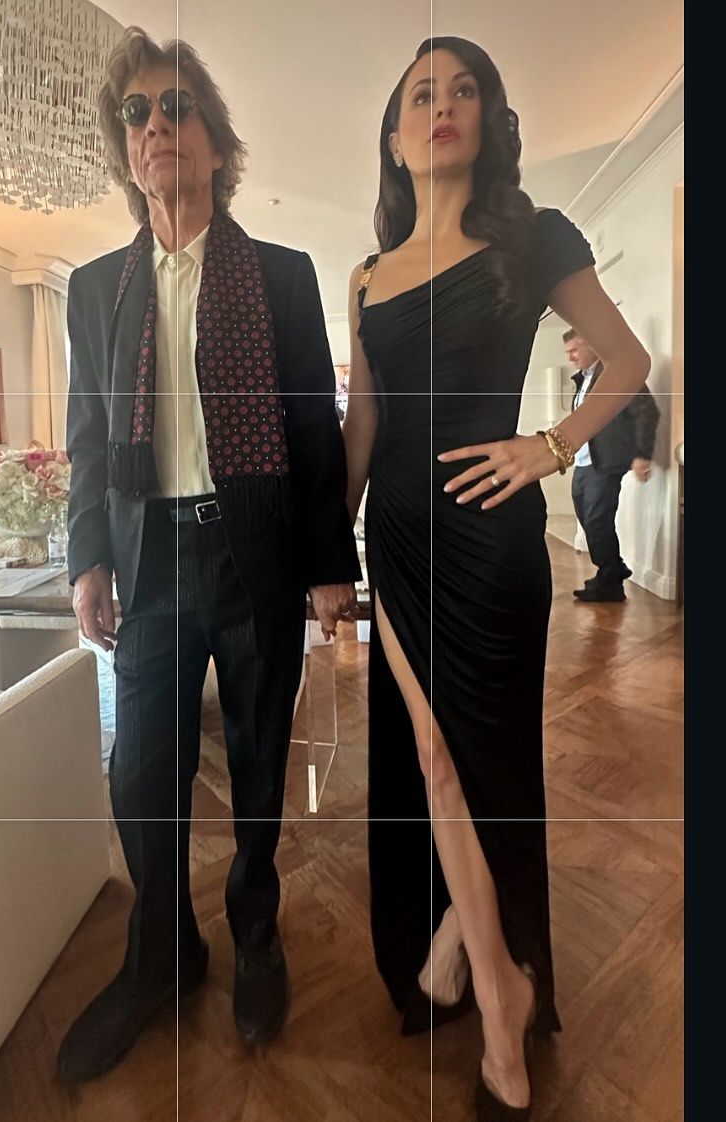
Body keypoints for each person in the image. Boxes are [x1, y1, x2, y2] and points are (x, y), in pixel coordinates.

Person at [342, 37, 650, 1120]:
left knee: (483, 769)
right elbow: (364, 422)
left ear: (486, 119)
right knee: (430, 759)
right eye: (422, 94)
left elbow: (627, 362)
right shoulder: (366, 277)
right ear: (394, 137)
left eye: (463, 90)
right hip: (397, 540)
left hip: (490, 540)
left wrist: (550, 446)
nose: (443, 106)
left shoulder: (532, 235)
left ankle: (490, 977)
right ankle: (487, 979)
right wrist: (330, 549)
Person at [58, 29, 359, 1081]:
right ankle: (162, 956)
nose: (155, 125)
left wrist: (331, 563)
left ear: (217, 143)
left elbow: (312, 428)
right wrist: (86, 559)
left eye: (176, 106)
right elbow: (87, 433)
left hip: (253, 557)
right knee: (143, 772)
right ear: (124, 147)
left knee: (262, 756)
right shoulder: (94, 288)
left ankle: (256, 930)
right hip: (146, 562)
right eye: (136, 113)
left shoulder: (280, 274)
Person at [563, 328, 660, 601]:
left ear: (590, 344)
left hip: (605, 461)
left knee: (597, 520)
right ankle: (613, 570)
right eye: (568, 352)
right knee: (587, 517)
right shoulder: (583, 379)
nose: (570, 357)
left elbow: (647, 411)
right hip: (583, 461)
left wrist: (642, 454)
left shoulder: (615, 374)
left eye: (574, 350)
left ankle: (610, 580)